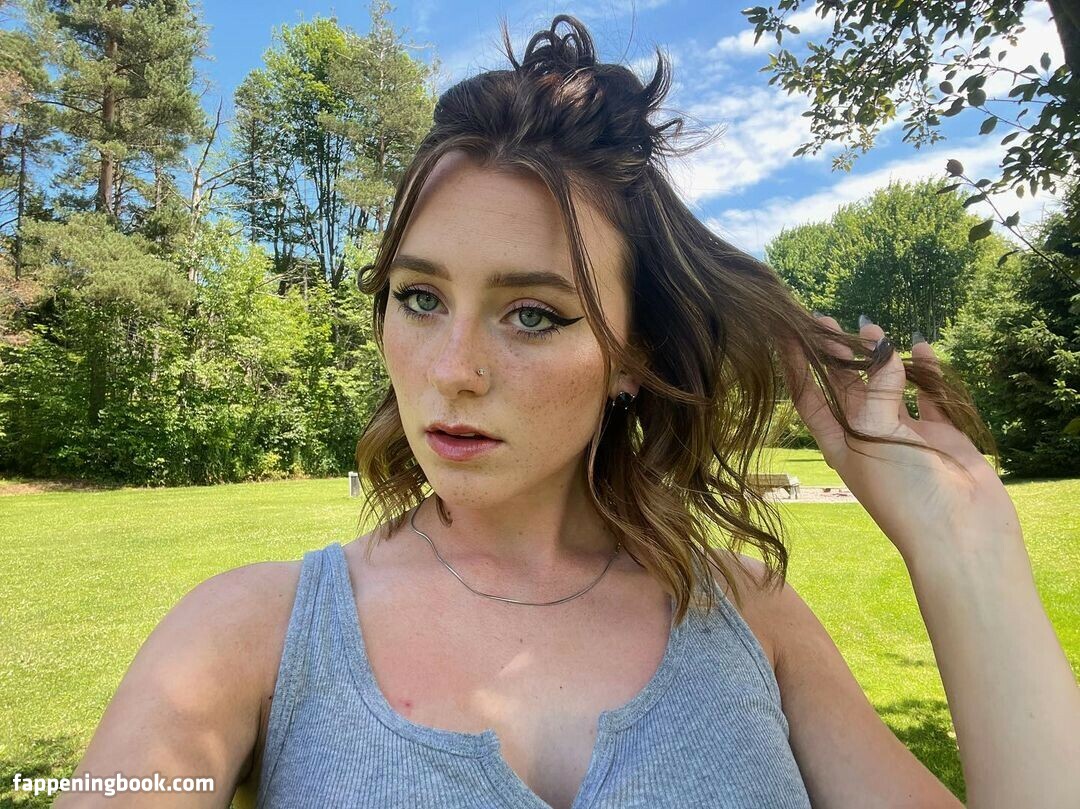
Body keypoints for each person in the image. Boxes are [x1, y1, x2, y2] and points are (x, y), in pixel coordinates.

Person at [58, 13, 1079, 809]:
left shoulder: (749, 617)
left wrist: (960, 542)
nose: (453, 369)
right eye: (419, 297)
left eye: (533, 314)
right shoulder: (248, 635)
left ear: (632, 358)